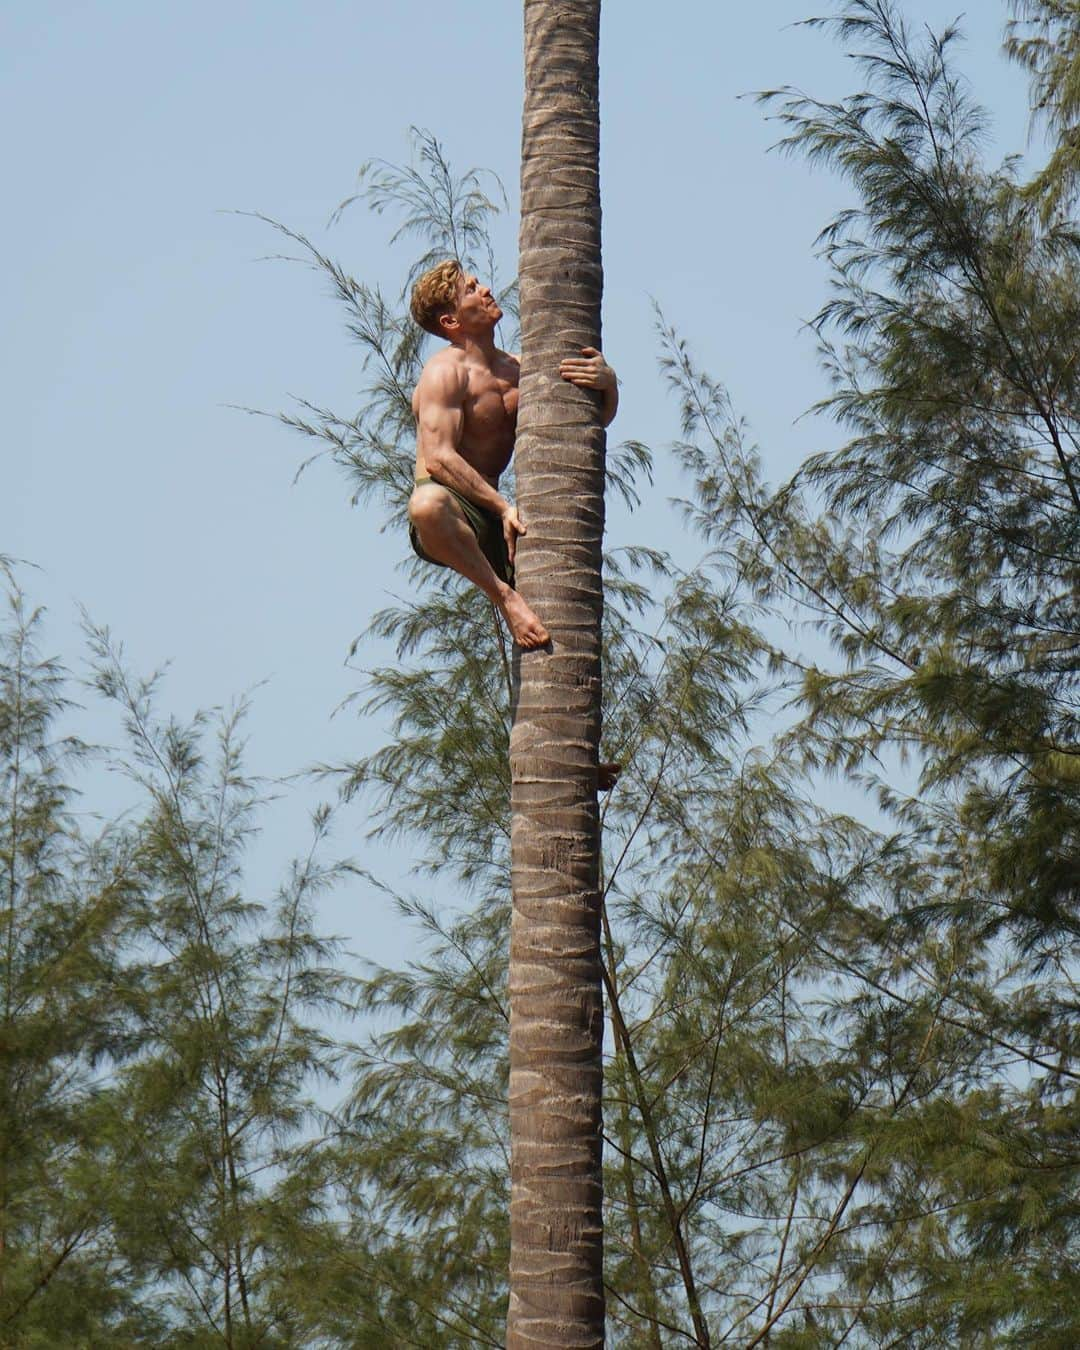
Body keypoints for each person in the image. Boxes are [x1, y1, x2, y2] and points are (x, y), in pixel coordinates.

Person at [407, 259, 618, 650]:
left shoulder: (520, 369)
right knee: (425, 504)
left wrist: (608, 385)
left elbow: (581, 428)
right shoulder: (444, 373)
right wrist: (503, 507)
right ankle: (506, 599)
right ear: (451, 322)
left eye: (478, 283)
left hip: (498, 513)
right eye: (470, 290)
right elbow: (438, 458)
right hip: (455, 511)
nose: (485, 289)